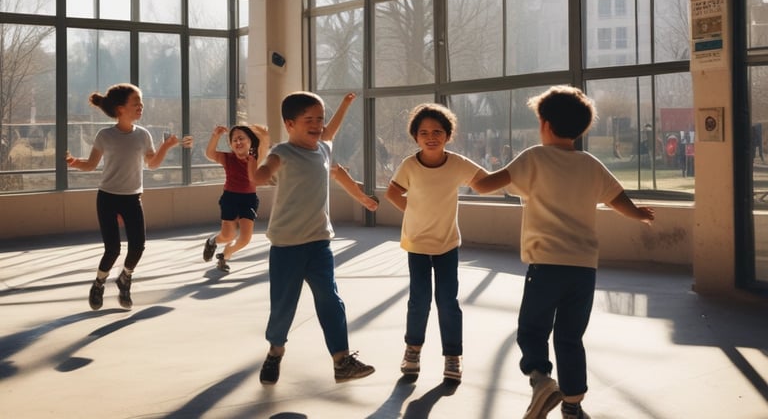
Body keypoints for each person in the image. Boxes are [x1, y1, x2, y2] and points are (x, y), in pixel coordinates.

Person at [473, 85, 654, 419]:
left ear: (545, 124)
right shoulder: (591, 164)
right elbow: (618, 199)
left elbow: (483, 185)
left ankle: (540, 379)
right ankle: (572, 405)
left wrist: (467, 170)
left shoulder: (535, 158)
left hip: (545, 266)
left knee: (532, 329)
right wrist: (640, 213)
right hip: (584, 269)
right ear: (580, 128)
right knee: (571, 336)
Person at [247, 91, 378, 386]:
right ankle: (275, 351)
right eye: (310, 119)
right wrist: (255, 161)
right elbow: (261, 175)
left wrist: (361, 198)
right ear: (290, 123)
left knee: (330, 300)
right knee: (283, 306)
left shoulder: (323, 149)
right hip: (286, 246)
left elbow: (334, 150)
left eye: (320, 118)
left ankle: (341, 361)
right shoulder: (282, 152)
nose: (318, 125)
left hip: (319, 243)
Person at [384, 103, 489, 384]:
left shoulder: (457, 163)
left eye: (437, 131)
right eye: (424, 132)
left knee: (447, 301)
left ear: (448, 134)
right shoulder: (410, 164)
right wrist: (413, 210)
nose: (431, 137)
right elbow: (393, 192)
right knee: (419, 301)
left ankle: (453, 356)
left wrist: (521, 177)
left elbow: (485, 181)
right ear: (416, 137)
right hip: (417, 243)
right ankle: (413, 350)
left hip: (446, 244)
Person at [66, 83, 192, 311]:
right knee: (112, 249)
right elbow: (92, 164)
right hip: (107, 198)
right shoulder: (105, 135)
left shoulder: (143, 135)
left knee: (138, 247)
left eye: (141, 102)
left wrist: (166, 146)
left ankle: (125, 278)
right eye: (136, 103)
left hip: (132, 198)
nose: (140, 106)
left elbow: (152, 164)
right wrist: (75, 163)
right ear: (120, 108)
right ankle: (99, 283)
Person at [202, 123, 269, 273]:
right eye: (234, 140)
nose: (238, 142)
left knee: (245, 239)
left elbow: (265, 142)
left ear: (250, 141)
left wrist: (262, 133)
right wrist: (215, 136)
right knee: (228, 235)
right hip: (230, 198)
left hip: (249, 199)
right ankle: (212, 241)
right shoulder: (227, 158)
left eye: (241, 139)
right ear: (231, 144)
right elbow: (210, 153)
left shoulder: (255, 158)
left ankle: (224, 256)